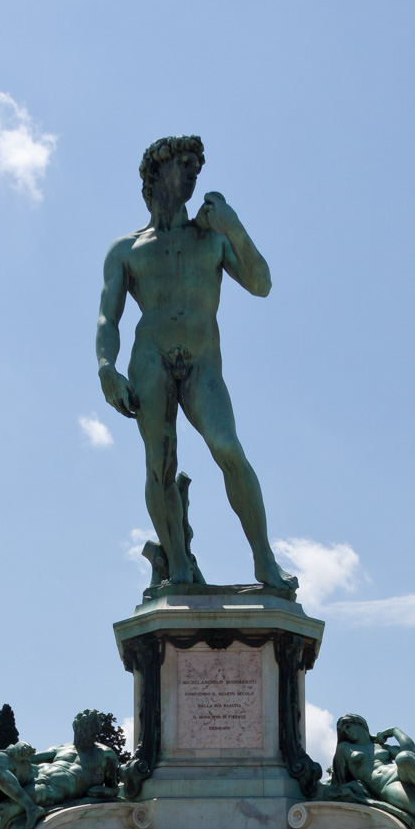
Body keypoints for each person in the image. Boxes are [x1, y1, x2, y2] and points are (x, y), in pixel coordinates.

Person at [95, 134, 297, 594]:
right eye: (182, 164)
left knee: (228, 447)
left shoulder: (212, 237)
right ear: (155, 175)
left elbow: (261, 284)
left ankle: (265, 561)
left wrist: (234, 226)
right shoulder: (127, 249)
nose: (191, 173)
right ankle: (179, 566)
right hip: (151, 359)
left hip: (203, 361)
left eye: (195, 166)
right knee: (160, 465)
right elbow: (109, 316)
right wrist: (106, 367)